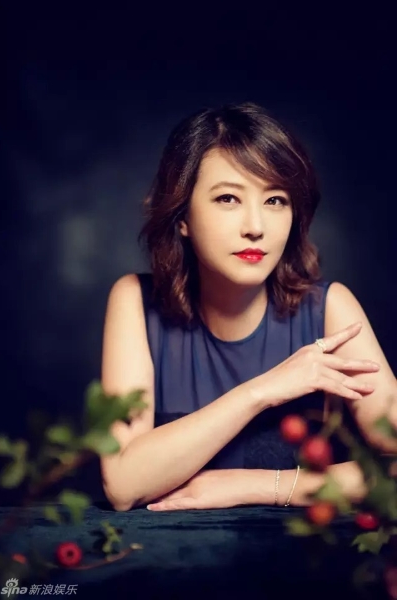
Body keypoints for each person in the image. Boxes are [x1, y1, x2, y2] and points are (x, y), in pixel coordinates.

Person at [100, 102, 397, 512]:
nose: (256, 227)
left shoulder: (329, 309)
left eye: (275, 200)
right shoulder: (135, 300)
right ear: (182, 216)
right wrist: (261, 391)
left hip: (295, 551)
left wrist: (257, 486)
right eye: (228, 198)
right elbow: (123, 484)